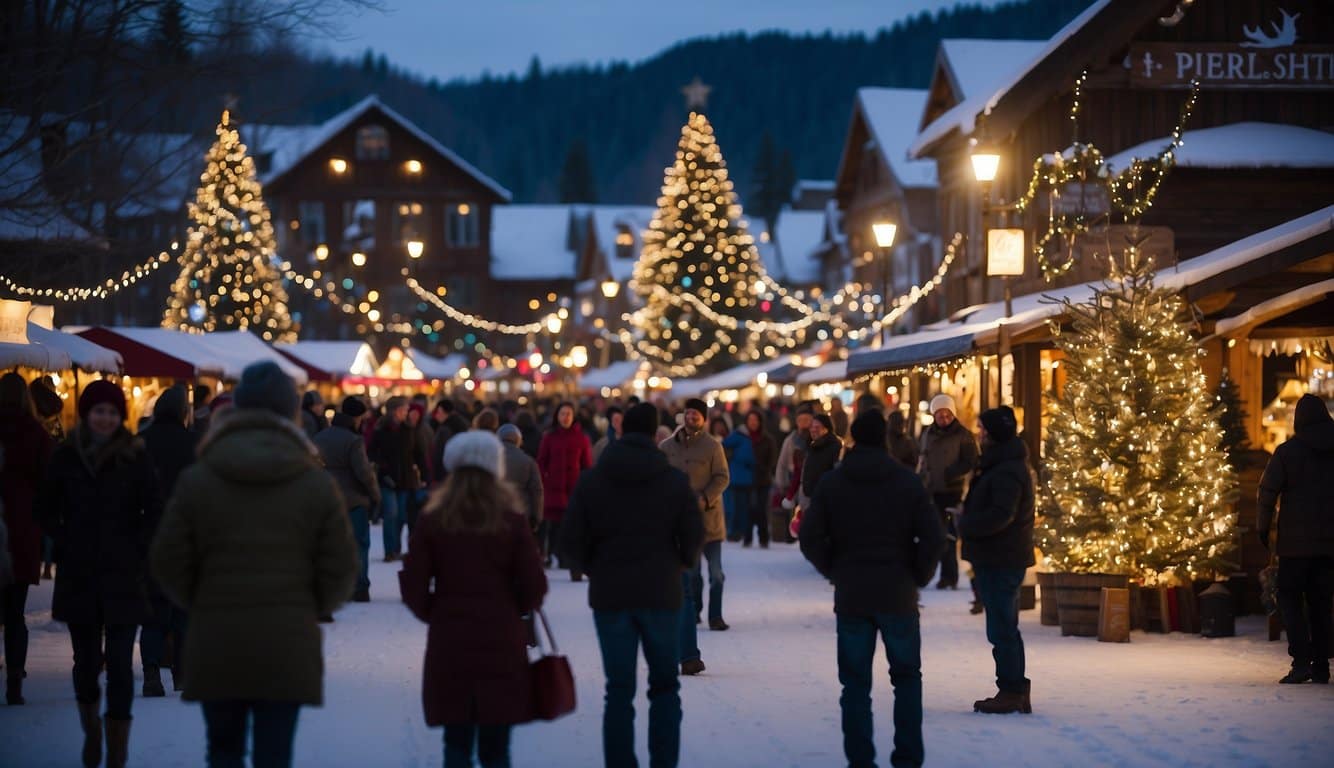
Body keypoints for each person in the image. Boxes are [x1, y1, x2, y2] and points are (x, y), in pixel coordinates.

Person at [151, 361, 358, 768]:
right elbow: (341, 567)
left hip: (216, 635)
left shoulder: (201, 477)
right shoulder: (314, 483)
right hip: (286, 640)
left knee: (223, 752)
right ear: (291, 415)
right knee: (273, 754)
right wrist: (311, 606)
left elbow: (167, 558)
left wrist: (199, 600)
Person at [798, 410, 946, 768]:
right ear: (883, 438)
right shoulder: (906, 481)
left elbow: (809, 535)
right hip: (898, 592)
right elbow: (932, 536)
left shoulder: (834, 482)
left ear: (852, 439)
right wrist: (918, 575)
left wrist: (834, 569)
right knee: (907, 678)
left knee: (855, 685)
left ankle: (860, 759)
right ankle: (908, 757)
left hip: (852, 593)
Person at [562, 403, 704, 768]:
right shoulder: (673, 481)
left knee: (619, 691)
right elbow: (693, 536)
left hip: (611, 594)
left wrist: (597, 568)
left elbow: (571, 542)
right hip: (661, 591)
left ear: (623, 430)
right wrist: (677, 565)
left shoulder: (594, 479)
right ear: (655, 431)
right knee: (665, 688)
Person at [399, 431, 548, 768]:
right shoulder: (511, 520)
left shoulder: (434, 519)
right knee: (496, 746)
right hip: (502, 638)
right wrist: (514, 609)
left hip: (450, 637)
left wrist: (436, 611)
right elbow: (534, 585)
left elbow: (413, 584)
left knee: (457, 740)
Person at [38, 380, 162, 767]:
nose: (105, 418)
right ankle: (92, 732)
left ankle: (118, 749)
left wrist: (137, 544)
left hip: (124, 574)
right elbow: (43, 507)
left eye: (111, 412)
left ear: (119, 416)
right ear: (87, 414)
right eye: (98, 411)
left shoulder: (135, 456)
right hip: (80, 575)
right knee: (87, 662)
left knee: (122, 665)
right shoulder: (65, 456)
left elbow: (154, 509)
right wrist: (65, 538)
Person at [958, 405, 1035, 714]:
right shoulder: (999, 464)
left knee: (1002, 628)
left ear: (993, 434)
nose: (979, 434)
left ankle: (1012, 690)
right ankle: (1013, 688)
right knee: (1002, 626)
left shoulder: (1007, 469)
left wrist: (967, 524)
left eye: (983, 430)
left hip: (1003, 557)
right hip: (998, 555)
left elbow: (1002, 515)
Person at [1258, 393, 1334, 685]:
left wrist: (1262, 530)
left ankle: (1301, 661)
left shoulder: (1287, 453)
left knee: (1289, 598)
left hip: (1294, 546)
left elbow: (1266, 494)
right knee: (1321, 602)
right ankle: (1321, 666)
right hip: (1329, 547)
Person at [137, 385, 198, 696]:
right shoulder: (194, 444)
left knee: (153, 607)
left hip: (150, 534)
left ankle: (150, 669)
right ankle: (182, 672)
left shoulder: (141, 442)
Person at [1, 372, 55, 706]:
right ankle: (15, 679)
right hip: (21, 528)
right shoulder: (35, 433)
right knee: (14, 612)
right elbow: (47, 482)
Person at [661, 397, 730, 646]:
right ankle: (695, 612)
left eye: (696, 415)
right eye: (689, 413)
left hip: (709, 521)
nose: (692, 418)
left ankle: (716, 615)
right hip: (681, 523)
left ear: (704, 418)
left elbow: (722, 477)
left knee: (716, 574)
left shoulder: (713, 447)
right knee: (691, 576)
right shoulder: (667, 447)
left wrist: (706, 497)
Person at [314, 396, 382, 603]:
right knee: (359, 544)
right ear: (356, 417)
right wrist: (375, 494)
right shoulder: (354, 440)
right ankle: (359, 587)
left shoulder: (320, 437)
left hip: (326, 498)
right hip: (353, 500)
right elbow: (363, 472)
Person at [917, 394, 978, 590]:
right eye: (940, 415)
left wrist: (953, 473)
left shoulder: (964, 435)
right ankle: (933, 573)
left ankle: (949, 576)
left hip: (953, 491)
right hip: (932, 490)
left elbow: (971, 461)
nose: (944, 419)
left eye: (947, 415)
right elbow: (923, 458)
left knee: (950, 536)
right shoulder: (927, 434)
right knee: (935, 534)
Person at [537, 402, 593, 580]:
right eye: (562, 414)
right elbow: (541, 462)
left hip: (574, 490)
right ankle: (553, 556)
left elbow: (587, 465)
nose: (565, 417)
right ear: (557, 416)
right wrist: (546, 481)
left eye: (568, 414)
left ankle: (567, 559)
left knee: (572, 527)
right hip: (554, 490)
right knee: (553, 526)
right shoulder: (549, 437)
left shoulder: (581, 438)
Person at [369, 396, 427, 562]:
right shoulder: (381, 430)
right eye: (404, 409)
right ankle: (390, 550)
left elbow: (418, 454)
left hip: (405, 479)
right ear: (395, 411)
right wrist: (383, 466)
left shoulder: (409, 430)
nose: (407, 413)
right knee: (391, 513)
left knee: (401, 515)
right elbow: (371, 452)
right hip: (387, 479)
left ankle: (395, 548)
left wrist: (424, 473)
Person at [736, 410, 777, 549]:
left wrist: (759, 466)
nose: (753, 422)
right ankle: (747, 537)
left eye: (755, 420)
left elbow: (771, 460)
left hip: (762, 480)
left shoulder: (767, 439)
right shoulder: (741, 438)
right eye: (750, 419)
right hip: (745, 480)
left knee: (761, 509)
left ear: (760, 422)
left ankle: (763, 538)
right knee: (747, 509)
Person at [773, 403, 813, 543]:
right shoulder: (791, 440)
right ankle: (791, 534)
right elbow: (782, 463)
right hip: (792, 478)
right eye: (801, 420)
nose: (804, 424)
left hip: (809, 479)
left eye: (807, 420)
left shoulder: (815, 438)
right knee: (791, 508)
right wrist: (781, 482)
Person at [498, 424, 544, 535]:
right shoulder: (528, 461)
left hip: (495, 514)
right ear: (519, 440)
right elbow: (537, 491)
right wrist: (536, 517)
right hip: (521, 513)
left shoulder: (490, 458)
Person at [719, 414, 753, 542]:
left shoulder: (736, 437)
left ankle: (734, 531)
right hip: (743, 478)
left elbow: (723, 444)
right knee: (740, 507)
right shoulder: (744, 438)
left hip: (735, 477)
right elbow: (748, 458)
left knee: (735, 507)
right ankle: (738, 532)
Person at [799, 413, 842, 511]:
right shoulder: (811, 446)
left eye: (817, 427)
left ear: (827, 429)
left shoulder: (834, 446)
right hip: (810, 496)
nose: (813, 430)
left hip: (825, 497)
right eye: (812, 427)